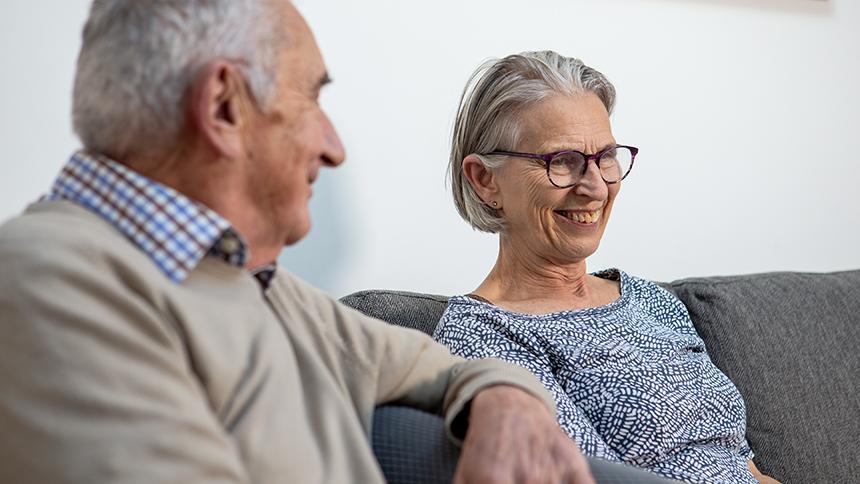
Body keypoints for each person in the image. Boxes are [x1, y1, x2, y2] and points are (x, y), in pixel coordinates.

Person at [0, 3, 598, 483]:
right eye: (312, 97)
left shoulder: (260, 284)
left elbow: (439, 367)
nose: (333, 147)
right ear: (223, 106)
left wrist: (504, 396)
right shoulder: (46, 283)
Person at [434, 51, 781, 484]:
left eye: (606, 157)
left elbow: (743, 466)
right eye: (562, 161)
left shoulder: (651, 300)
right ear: (485, 180)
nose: (596, 187)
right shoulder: (483, 334)